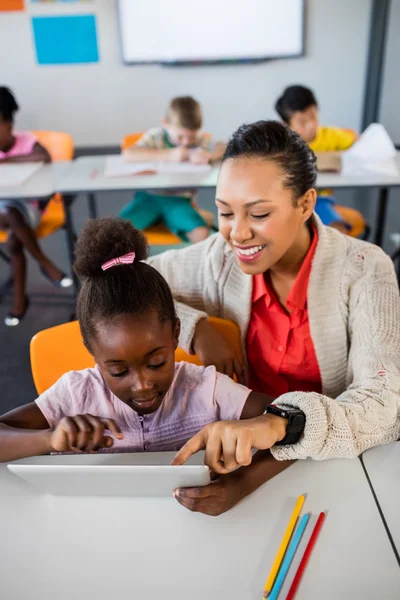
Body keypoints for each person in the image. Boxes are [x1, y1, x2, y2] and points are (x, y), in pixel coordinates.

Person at [146, 121, 400, 498]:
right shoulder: (219, 257)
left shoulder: (364, 268)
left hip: (336, 467)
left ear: (305, 204)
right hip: (236, 457)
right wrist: (195, 328)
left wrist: (281, 423)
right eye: (225, 213)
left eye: (259, 214)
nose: (237, 234)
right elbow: (128, 284)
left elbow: (383, 402)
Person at [0, 216, 292, 516]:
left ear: (177, 334)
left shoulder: (207, 390)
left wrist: (242, 484)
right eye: (118, 371)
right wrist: (48, 438)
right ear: (90, 350)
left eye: (156, 362)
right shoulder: (74, 395)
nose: (142, 385)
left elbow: (299, 422)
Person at [0, 86, 72, 326]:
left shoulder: (27, 141)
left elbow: (44, 158)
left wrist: (8, 160)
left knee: (13, 238)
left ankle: (19, 301)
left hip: (27, 210)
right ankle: (44, 262)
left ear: (9, 125)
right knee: (8, 212)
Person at [120, 96, 225, 243]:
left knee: (200, 233)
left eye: (191, 136)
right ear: (166, 124)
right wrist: (168, 155)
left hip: (179, 200)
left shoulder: (201, 140)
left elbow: (224, 146)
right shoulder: (157, 136)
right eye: (180, 136)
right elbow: (128, 153)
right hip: (148, 198)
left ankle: (197, 260)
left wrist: (209, 154)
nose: (186, 142)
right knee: (117, 233)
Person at [275, 85, 365, 236]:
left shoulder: (329, 135)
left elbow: (357, 139)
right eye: (302, 122)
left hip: (321, 200)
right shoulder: (283, 142)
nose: (311, 125)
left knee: (340, 228)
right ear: (287, 125)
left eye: (313, 117)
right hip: (291, 201)